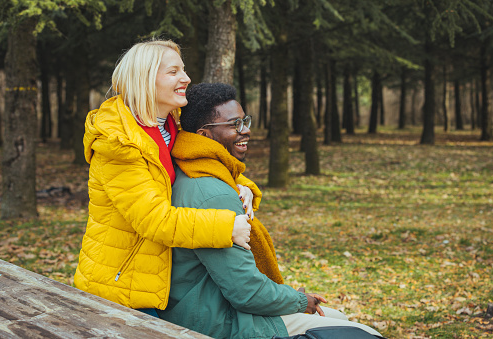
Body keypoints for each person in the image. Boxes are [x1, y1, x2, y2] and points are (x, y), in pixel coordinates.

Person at [159, 82, 383, 338]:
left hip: (198, 308)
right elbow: (246, 291)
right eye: (235, 125)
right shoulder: (215, 194)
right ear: (205, 136)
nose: (246, 131)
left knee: (338, 319)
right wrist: (301, 301)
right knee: (363, 333)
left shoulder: (189, 171)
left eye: (245, 121)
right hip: (219, 322)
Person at [73, 40, 259, 311]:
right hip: (121, 288)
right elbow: (153, 219)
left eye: (183, 70)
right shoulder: (118, 143)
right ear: (145, 79)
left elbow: (204, 159)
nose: (186, 78)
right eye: (173, 72)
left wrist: (242, 184)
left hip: (157, 277)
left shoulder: (170, 126)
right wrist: (226, 227)